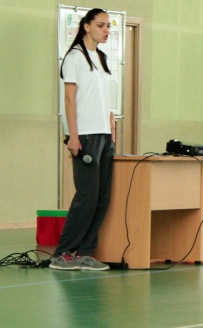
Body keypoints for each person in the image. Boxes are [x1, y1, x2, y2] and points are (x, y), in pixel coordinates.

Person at [50, 8, 115, 271]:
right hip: (84, 134)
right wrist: (72, 136)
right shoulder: (74, 58)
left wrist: (111, 128)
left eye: (109, 26)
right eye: (101, 25)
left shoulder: (100, 57)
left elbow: (104, 99)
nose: (106, 30)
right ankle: (63, 253)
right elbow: (69, 99)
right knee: (86, 196)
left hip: (103, 135)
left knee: (101, 197)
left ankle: (86, 252)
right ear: (86, 26)